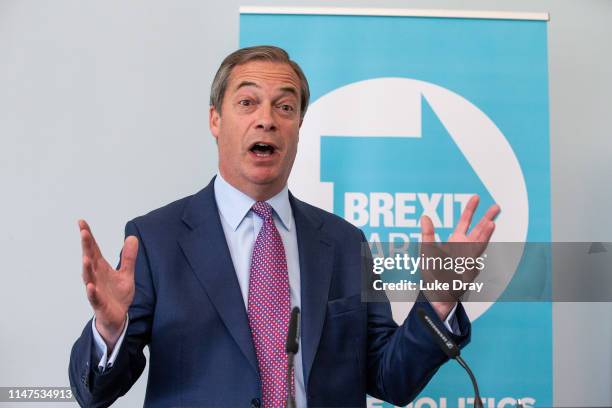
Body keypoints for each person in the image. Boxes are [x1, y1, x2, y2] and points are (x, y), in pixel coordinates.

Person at [69, 45, 499, 408]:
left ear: (298, 126)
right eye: (247, 102)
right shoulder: (156, 239)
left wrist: (438, 304)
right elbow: (94, 394)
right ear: (215, 120)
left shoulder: (346, 243)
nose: (267, 119)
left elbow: (391, 379)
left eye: (285, 106)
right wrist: (109, 333)